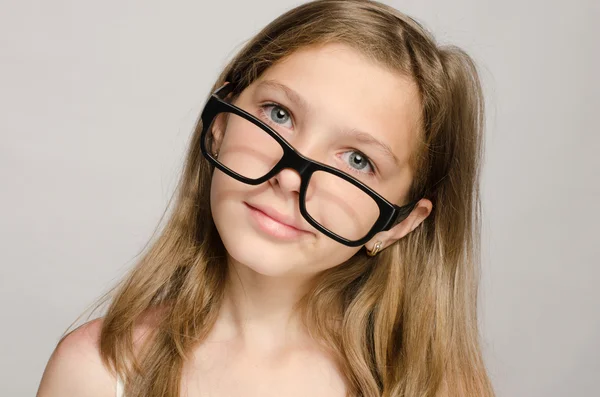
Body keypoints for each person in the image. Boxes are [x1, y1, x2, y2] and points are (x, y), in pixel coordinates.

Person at [37, 1, 495, 396]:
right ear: (220, 124)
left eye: (357, 160)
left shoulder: (442, 388)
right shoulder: (96, 374)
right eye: (280, 114)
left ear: (400, 223)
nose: (292, 180)